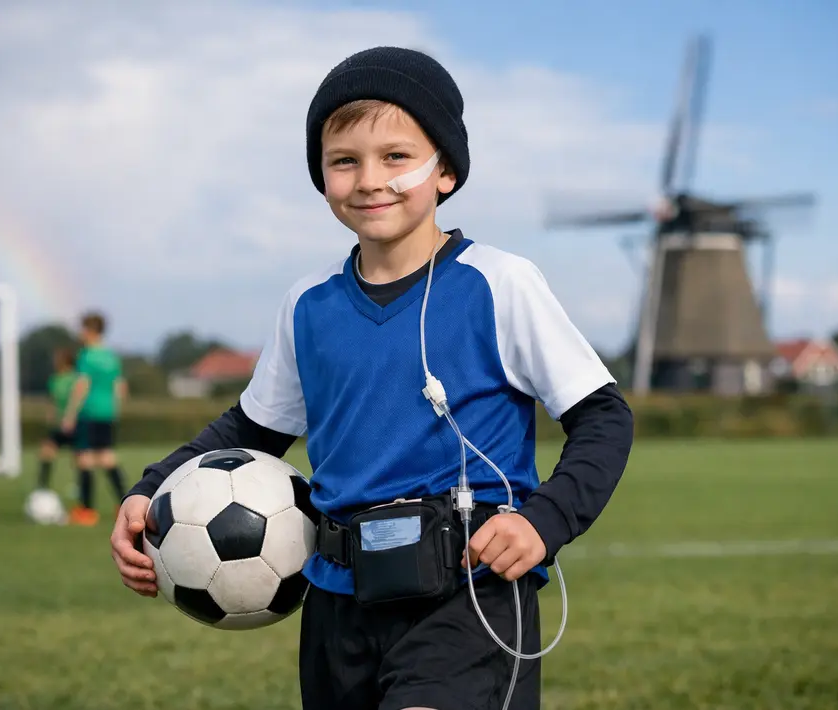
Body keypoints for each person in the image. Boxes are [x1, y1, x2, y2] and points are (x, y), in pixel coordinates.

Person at [110, 46, 634, 710]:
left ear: (443, 170)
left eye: (395, 157)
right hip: (336, 605)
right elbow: (249, 429)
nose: (369, 179)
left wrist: (544, 520)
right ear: (321, 175)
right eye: (343, 161)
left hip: (466, 596)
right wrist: (152, 488)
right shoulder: (309, 304)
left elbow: (603, 416)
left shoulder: (499, 284)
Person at [61, 312, 128, 526]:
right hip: (107, 412)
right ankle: (124, 505)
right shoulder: (111, 356)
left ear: (90, 330)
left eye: (82, 329)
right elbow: (120, 388)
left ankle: (86, 511)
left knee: (85, 459)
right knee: (107, 457)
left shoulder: (87, 356)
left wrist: (70, 414)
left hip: (89, 412)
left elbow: (82, 385)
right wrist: (113, 409)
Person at [36, 347, 77, 492]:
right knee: (46, 451)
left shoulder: (75, 378)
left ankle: (80, 490)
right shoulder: (54, 379)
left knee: (80, 458)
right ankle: (42, 488)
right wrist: (51, 415)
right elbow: (52, 400)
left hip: (75, 424)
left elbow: (78, 399)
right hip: (59, 425)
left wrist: (72, 417)